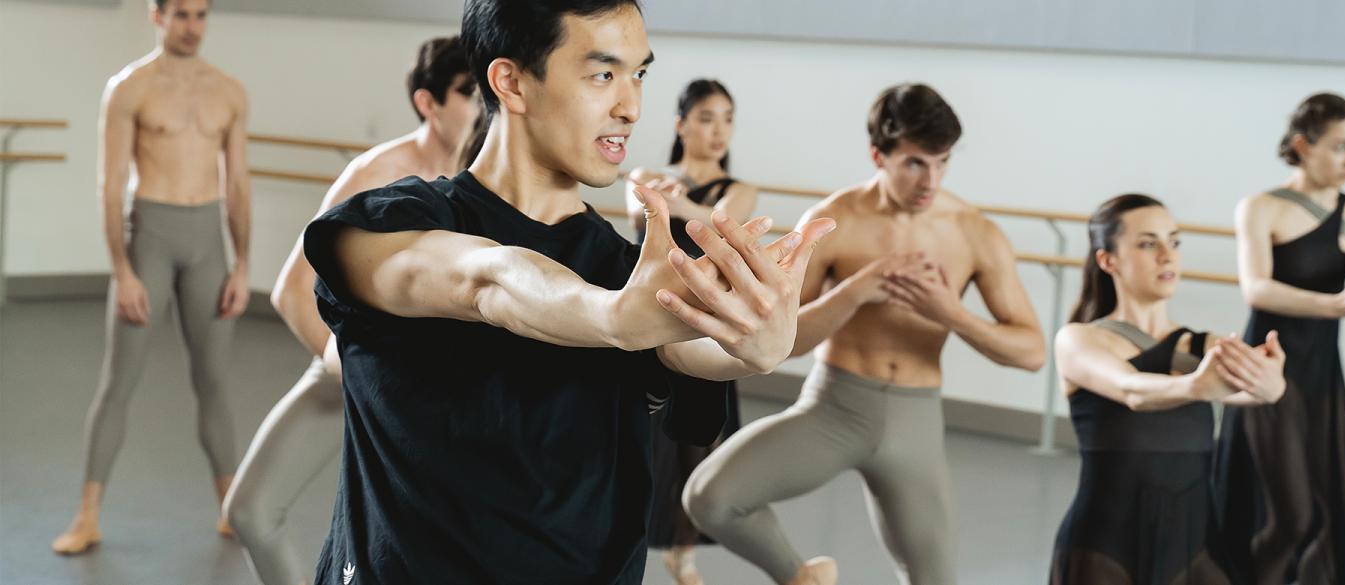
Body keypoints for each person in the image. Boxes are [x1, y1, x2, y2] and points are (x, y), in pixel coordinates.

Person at [303, 1, 835, 582]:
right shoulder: (383, 229)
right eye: (603, 74)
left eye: (639, 75)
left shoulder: (624, 269)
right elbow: (487, 278)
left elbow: (688, 345)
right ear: (511, 82)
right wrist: (609, 318)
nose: (630, 107)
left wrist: (758, 345)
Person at [683, 83, 1047, 585]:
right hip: (834, 408)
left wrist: (951, 313)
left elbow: (1032, 353)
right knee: (709, 497)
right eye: (916, 163)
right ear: (879, 154)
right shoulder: (836, 221)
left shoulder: (973, 232)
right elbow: (778, 343)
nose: (931, 180)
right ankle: (802, 577)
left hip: (915, 420)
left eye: (942, 162)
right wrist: (855, 291)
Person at [220, 36, 479, 585]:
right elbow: (293, 290)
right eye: (465, 92)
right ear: (428, 104)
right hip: (361, 369)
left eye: (483, 91)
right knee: (249, 510)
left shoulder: (486, 178)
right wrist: (360, 375)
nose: (480, 104)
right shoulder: (376, 172)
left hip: (452, 398)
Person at [53, 0, 252, 555]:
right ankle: (87, 515)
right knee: (119, 382)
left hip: (208, 241)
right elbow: (110, 185)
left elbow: (237, 184)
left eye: (202, 14)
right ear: (157, 16)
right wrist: (123, 269)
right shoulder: (130, 88)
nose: (193, 26)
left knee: (213, 381)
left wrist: (243, 264)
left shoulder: (229, 91)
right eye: (182, 14)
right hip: (151, 240)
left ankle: (229, 510)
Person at [1216, 92, 1345, 585]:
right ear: (1303, 145)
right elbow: (1256, 288)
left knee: (1332, 505)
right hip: (1266, 368)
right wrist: (1336, 303)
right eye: (1340, 147)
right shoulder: (1260, 208)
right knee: (1286, 511)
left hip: (1323, 377)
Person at [1050, 193, 1287, 584]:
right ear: (1108, 261)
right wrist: (1195, 387)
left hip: (1194, 549)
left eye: (1174, 242)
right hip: (1106, 546)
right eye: (1148, 243)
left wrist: (1271, 380)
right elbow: (1131, 389)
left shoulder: (1203, 347)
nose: (1167, 255)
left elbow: (1263, 389)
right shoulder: (1079, 339)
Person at [624, 78, 758, 585]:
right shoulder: (649, 175)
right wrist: (661, 202)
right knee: (639, 440)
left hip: (704, 332)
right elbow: (637, 207)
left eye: (727, 118)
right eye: (706, 117)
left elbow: (727, 224)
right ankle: (626, 540)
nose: (718, 129)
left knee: (696, 444)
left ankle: (683, 552)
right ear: (681, 125)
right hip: (645, 324)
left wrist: (682, 209)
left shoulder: (737, 190)